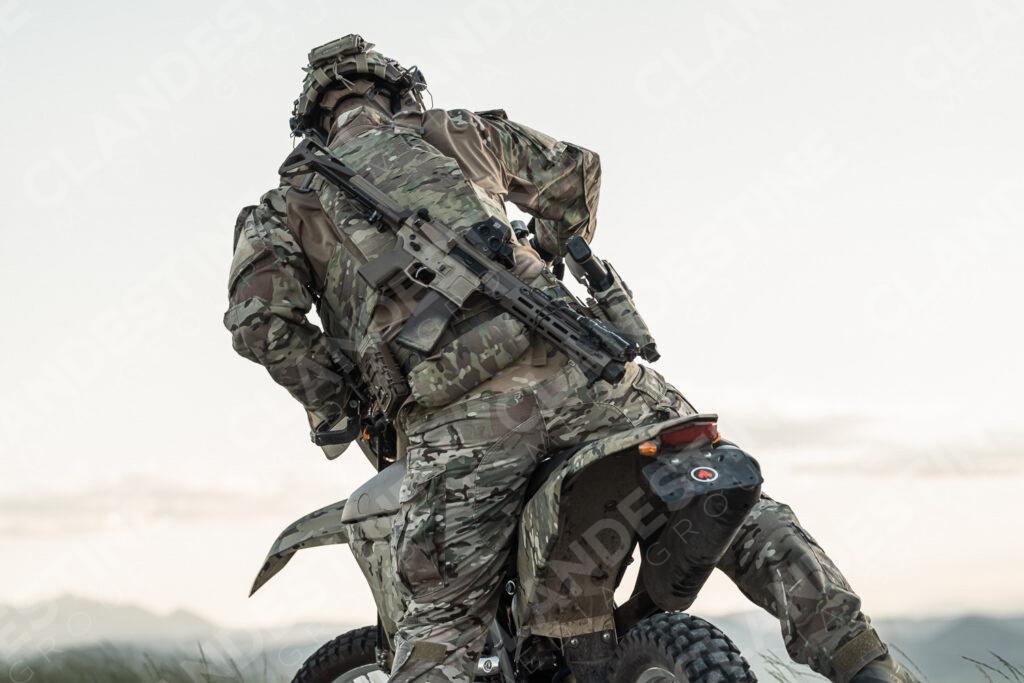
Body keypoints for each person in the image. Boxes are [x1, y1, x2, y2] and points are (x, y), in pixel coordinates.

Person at [224, 34, 917, 683]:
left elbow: (261, 325)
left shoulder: (286, 208)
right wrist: (546, 257)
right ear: (399, 92)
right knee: (745, 513)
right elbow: (575, 173)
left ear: (312, 123)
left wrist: (338, 400)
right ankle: (866, 663)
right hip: (595, 373)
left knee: (440, 621)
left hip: (462, 418)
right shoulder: (461, 132)